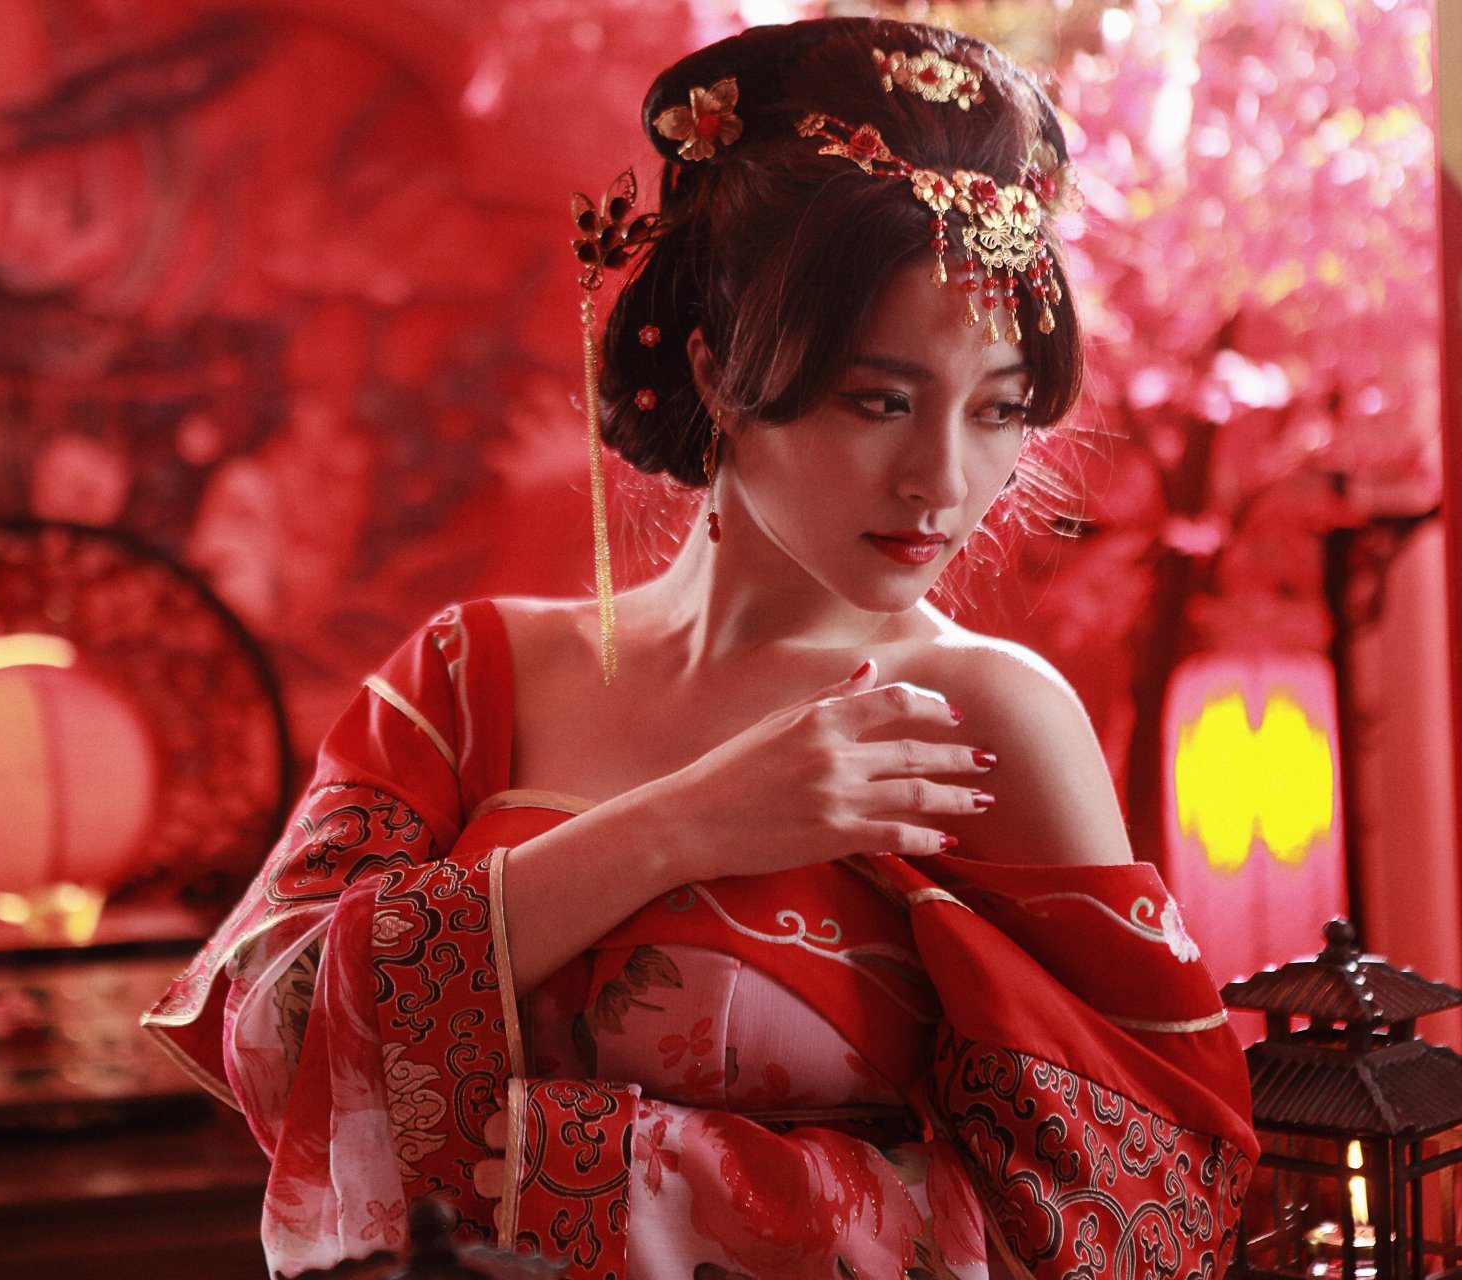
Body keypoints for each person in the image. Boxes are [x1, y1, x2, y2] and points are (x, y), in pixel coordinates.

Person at [147, 18, 1257, 1280]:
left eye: (998, 410)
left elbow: (1139, 1212)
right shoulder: (469, 677)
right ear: (721, 370)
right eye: (880, 400)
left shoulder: (982, 717)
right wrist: (685, 824)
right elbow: (271, 1039)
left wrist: (610, 1176)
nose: (945, 479)